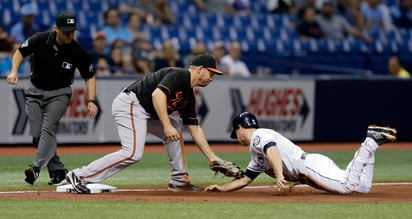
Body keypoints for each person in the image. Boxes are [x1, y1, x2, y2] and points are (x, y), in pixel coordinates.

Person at [65, 54, 228, 194]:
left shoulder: (188, 96)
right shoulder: (179, 74)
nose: (212, 78)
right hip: (131, 103)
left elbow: (195, 128)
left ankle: (179, 180)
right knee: (133, 153)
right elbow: (157, 96)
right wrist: (166, 125)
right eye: (211, 73)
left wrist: (212, 157)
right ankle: (80, 176)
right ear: (200, 69)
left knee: (176, 128)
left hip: (145, 112)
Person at [6, 12, 98, 186]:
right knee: (36, 135)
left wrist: (91, 100)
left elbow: (89, 76)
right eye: (66, 31)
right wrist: (14, 71)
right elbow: (19, 52)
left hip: (59, 94)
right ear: (56, 29)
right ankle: (58, 171)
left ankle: (36, 168)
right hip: (35, 92)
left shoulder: (77, 51)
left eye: (73, 31)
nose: (70, 35)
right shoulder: (40, 40)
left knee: (47, 129)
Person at [204, 112, 397, 194]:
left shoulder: (259, 136)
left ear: (240, 128)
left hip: (309, 167)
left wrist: (279, 175)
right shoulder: (257, 153)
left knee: (347, 187)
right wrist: (221, 188)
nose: (236, 137)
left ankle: (370, 142)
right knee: (362, 188)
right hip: (312, 164)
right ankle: (371, 144)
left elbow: (272, 150)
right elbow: (245, 179)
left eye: (235, 133)